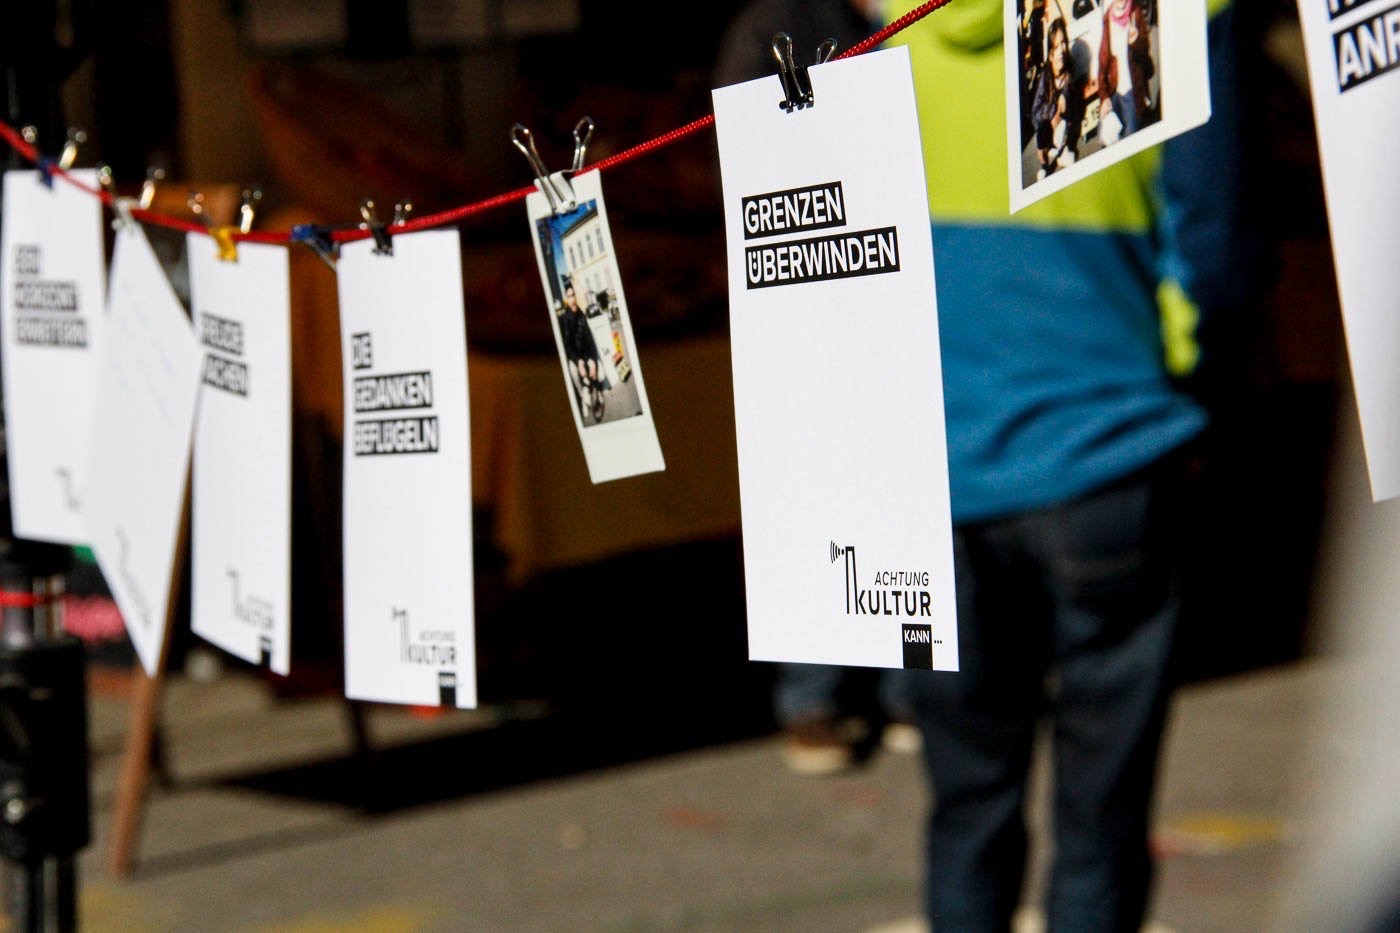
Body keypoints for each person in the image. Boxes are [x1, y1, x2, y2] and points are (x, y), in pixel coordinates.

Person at [887, 0, 1252, 927]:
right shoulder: (1158, 13)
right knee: (1101, 814)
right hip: (1109, 447)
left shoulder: (888, 29)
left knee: (967, 804)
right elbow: (1214, 248)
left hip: (937, 469)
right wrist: (1195, 377)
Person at [715, 0, 923, 776]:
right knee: (813, 486)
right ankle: (812, 697)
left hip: (904, 276)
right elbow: (741, 163)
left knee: (905, 486)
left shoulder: (928, 20)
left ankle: (909, 685)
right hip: (809, 287)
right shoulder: (776, 21)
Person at [1031, 16, 1084, 178]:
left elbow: (1073, 95)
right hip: (1048, 126)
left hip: (1063, 127)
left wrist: (1064, 96)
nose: (1061, 51)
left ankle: (1066, 149)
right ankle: (1045, 165)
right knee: (1042, 133)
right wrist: (1052, 115)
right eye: (1056, 46)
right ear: (1050, 54)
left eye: (1063, 43)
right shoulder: (1045, 78)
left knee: (1071, 100)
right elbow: (1035, 113)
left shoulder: (1069, 69)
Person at [1097, 0, 1155, 142]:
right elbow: (1103, 60)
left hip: (1131, 92)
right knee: (1110, 139)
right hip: (1114, 92)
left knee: (1131, 138)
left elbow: (1145, 53)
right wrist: (1104, 96)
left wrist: (1134, 43)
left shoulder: (1135, 11)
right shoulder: (1108, 17)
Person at [558, 281, 604, 417]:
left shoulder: (582, 315)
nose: (573, 299)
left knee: (600, 373)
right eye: (569, 296)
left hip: (586, 356)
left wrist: (592, 360)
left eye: (574, 295)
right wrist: (578, 361)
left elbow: (590, 342)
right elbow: (567, 346)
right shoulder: (564, 319)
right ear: (566, 299)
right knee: (572, 370)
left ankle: (597, 391)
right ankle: (584, 398)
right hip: (576, 358)